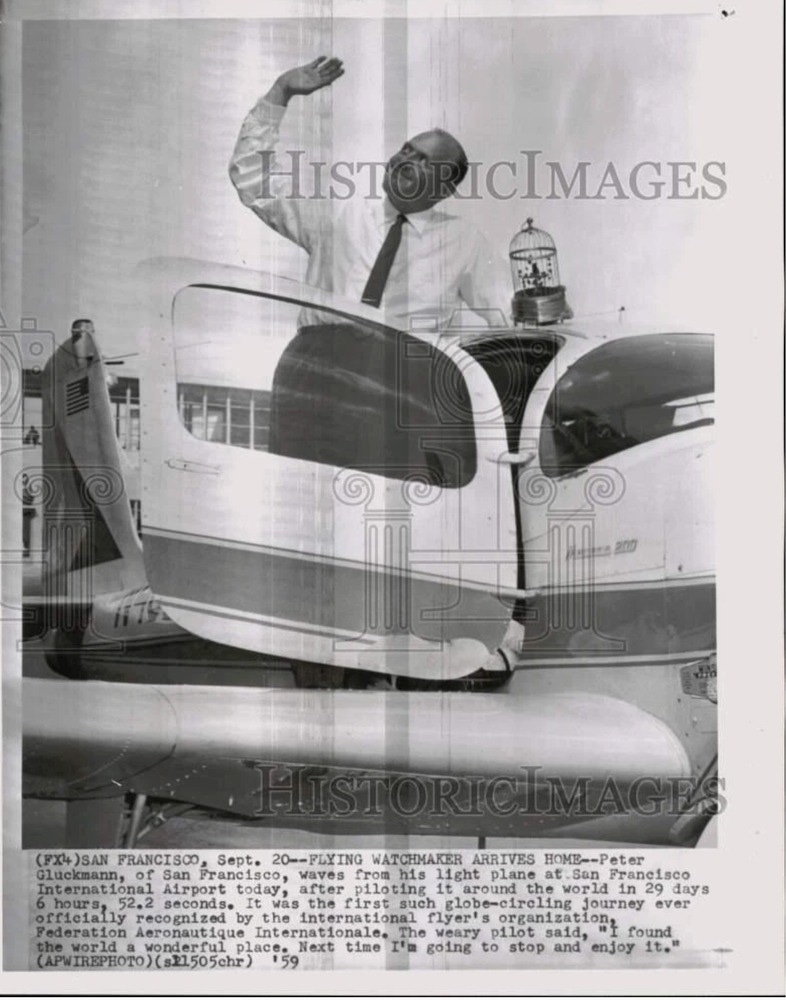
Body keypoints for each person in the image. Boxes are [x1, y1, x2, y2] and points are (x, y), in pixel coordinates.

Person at [229, 56, 510, 328]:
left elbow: (510, 316)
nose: (405, 160)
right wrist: (280, 92)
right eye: (405, 150)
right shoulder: (338, 212)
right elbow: (254, 178)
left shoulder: (464, 242)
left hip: (403, 371)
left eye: (424, 160)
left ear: (445, 189)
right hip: (317, 362)